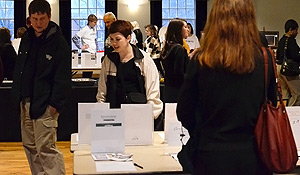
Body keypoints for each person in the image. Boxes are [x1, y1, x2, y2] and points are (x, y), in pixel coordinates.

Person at [176, 0, 276, 174]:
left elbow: (184, 111)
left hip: (209, 154)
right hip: (253, 155)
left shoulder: (201, 59)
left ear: (214, 19)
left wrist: (202, 131)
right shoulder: (265, 58)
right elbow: (271, 104)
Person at [12, 0, 71, 174]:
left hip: (46, 105)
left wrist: (54, 105)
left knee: (46, 149)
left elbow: (63, 78)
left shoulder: (59, 43)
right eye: (34, 19)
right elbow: (20, 69)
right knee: (30, 148)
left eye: (42, 18)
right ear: (29, 18)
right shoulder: (26, 39)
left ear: (49, 17)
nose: (38, 23)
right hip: (25, 102)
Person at [96, 20, 163, 119]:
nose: (114, 43)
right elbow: (102, 92)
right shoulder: (108, 60)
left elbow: (153, 94)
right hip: (113, 115)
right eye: (112, 39)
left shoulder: (144, 59)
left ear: (128, 38)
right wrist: (101, 114)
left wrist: (149, 117)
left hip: (139, 115)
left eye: (118, 39)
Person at [160, 18, 189, 103]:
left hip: (169, 90)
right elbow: (179, 74)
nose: (188, 29)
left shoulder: (168, 47)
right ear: (178, 29)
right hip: (178, 92)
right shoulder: (178, 49)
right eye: (185, 27)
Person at [276, 19, 300, 106]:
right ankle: (292, 115)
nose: (297, 32)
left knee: (284, 94)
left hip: (280, 68)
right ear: (290, 30)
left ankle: (283, 113)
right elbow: (295, 56)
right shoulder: (291, 41)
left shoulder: (281, 40)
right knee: (297, 94)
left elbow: (278, 55)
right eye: (296, 30)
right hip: (289, 69)